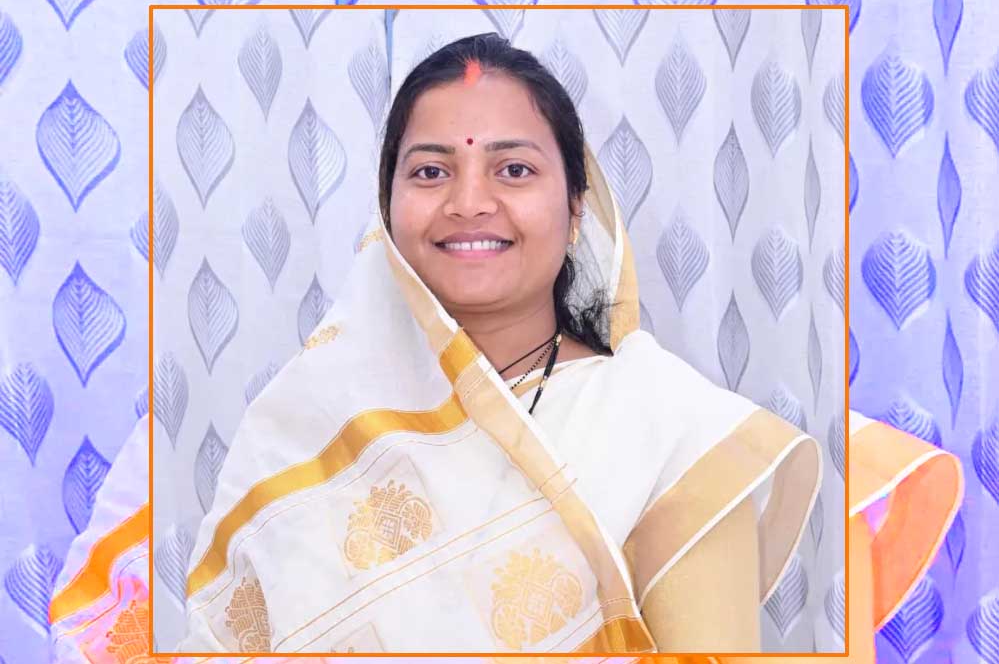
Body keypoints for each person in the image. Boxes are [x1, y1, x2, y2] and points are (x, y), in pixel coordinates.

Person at [48, 33, 963, 660]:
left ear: (575, 209)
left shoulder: (667, 429)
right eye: (431, 170)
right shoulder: (303, 420)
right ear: (387, 210)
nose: (469, 202)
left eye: (513, 168)